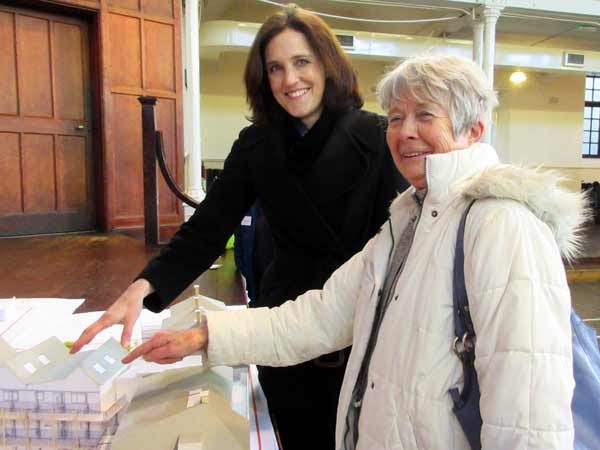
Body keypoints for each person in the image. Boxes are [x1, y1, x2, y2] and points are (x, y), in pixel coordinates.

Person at [124, 55, 587, 450]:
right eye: (397, 116)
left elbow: (530, 410)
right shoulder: (406, 221)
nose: (405, 132)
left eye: (426, 115)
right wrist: (206, 336)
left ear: (474, 130)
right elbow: (317, 317)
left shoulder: (503, 224)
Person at [70, 4, 408, 450]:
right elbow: (207, 227)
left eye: (302, 62)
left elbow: (402, 240)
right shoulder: (258, 144)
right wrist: (143, 287)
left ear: (328, 64)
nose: (291, 80)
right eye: (276, 68)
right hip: (280, 317)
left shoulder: (376, 136)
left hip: (358, 325)